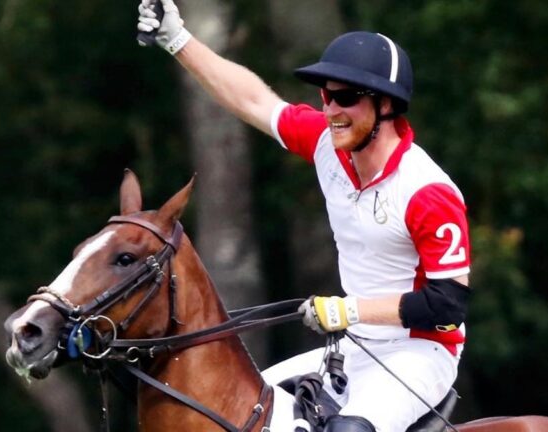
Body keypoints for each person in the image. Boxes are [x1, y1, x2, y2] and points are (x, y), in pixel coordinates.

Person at [137, 1, 472, 431]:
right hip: (355, 344)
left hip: (421, 352)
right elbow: (254, 100)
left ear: (387, 104)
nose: (331, 110)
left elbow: (447, 306)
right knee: (235, 409)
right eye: (327, 95)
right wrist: (177, 39)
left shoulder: (428, 192)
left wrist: (350, 311)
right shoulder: (326, 143)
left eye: (346, 98)